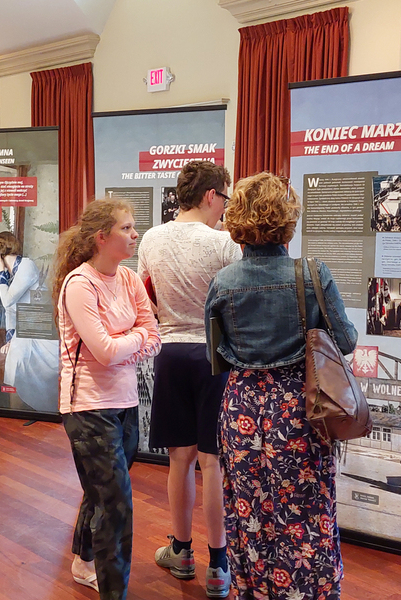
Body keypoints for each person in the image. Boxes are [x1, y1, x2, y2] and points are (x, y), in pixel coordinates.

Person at [205, 172, 357, 600]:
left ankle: (256, 589)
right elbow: (345, 341)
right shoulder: (312, 273)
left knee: (249, 509)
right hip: (299, 406)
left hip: (241, 408)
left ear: (237, 219)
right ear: (287, 219)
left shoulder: (223, 282)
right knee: (306, 506)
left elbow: (215, 355)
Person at [138, 161, 241, 599]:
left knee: (179, 459)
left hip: (170, 352)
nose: (225, 208)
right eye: (225, 198)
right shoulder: (224, 243)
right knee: (213, 462)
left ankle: (181, 552)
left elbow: (147, 295)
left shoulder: (150, 238)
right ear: (210, 196)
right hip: (212, 355)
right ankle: (219, 565)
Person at [53, 199, 161, 600]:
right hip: (87, 406)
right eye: (127, 228)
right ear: (102, 237)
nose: (135, 235)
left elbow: (154, 336)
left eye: (133, 227)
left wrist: (128, 342)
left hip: (125, 401)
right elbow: (104, 351)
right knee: (116, 503)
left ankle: (84, 561)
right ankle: (114, 590)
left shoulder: (129, 279)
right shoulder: (79, 284)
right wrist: (134, 340)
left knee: (102, 491)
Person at [0, 231, 58, 412]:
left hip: (38, 330)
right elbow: (10, 311)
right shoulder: (13, 274)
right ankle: (15, 409)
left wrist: (0, 272)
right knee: (13, 363)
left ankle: (19, 409)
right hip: (25, 330)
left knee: (15, 362)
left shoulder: (26, 266)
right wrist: (10, 339)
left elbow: (7, 301)